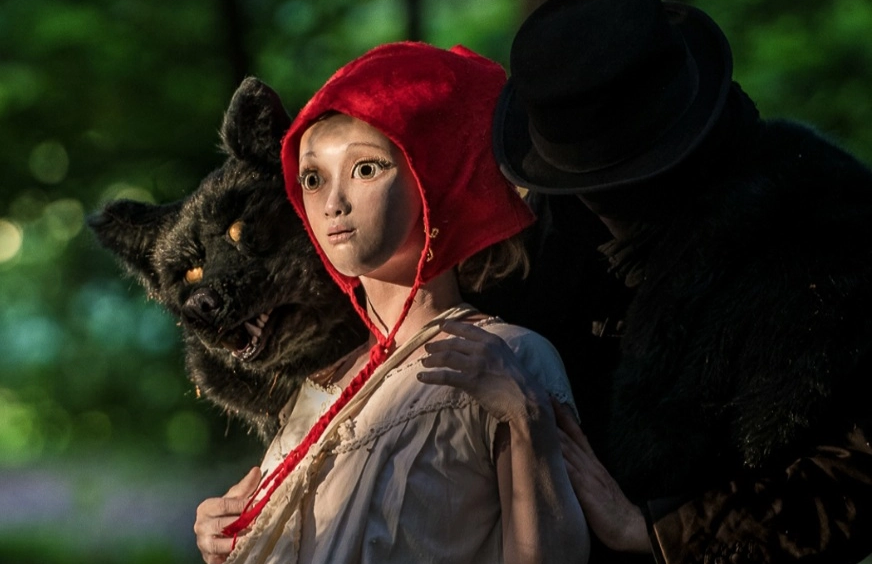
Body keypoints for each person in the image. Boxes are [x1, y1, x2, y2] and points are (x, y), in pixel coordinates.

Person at [491, 0, 872, 563]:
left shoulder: (822, 223)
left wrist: (658, 530)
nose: (598, 204)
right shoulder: (539, 226)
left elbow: (853, 473)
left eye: (612, 185)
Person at [193, 41, 590, 563]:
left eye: (366, 169)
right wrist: (227, 535)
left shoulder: (510, 358)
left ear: (436, 179)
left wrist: (527, 419)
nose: (332, 203)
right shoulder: (321, 388)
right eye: (313, 178)